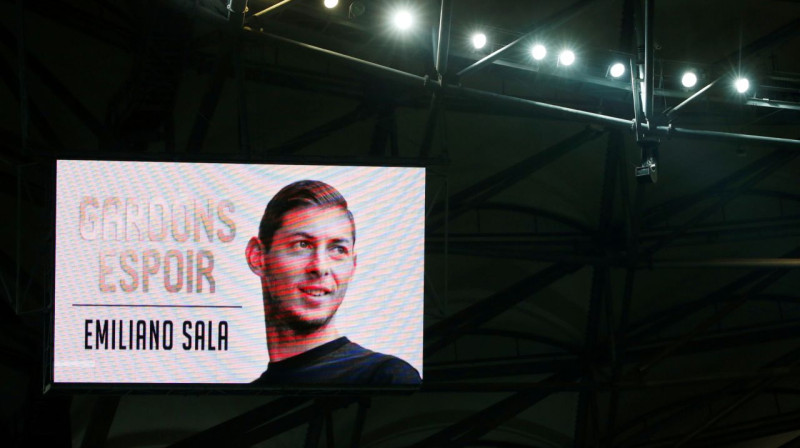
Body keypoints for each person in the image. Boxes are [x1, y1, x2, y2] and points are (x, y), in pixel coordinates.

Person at [246, 180, 421, 385]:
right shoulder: (254, 390)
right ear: (257, 256)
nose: (320, 267)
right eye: (302, 244)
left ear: (352, 266)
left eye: (338, 249)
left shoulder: (386, 376)